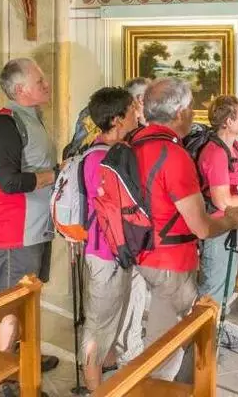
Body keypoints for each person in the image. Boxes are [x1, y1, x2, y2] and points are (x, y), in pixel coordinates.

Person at [113, 77, 238, 381]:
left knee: (161, 338)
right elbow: (201, 226)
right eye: (190, 108)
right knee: (171, 346)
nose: (193, 114)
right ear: (178, 113)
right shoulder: (174, 156)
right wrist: (234, 218)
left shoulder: (133, 143)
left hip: (141, 249)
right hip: (171, 260)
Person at [0, 58, 59, 397]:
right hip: (13, 229)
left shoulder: (32, 118)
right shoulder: (3, 124)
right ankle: (2, 379)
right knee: (9, 303)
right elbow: (10, 181)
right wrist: (54, 175)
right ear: (21, 89)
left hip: (36, 225)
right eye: (39, 79)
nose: (46, 83)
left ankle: (25, 357)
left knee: (29, 296)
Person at [81, 87, 146, 391]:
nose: (138, 114)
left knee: (109, 320)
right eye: (133, 110)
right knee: (96, 325)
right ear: (119, 119)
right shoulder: (103, 159)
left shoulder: (102, 150)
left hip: (112, 251)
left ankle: (108, 364)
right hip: (105, 252)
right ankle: (95, 388)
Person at [195, 95, 238, 350]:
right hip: (216, 227)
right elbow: (222, 201)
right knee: (213, 285)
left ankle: (217, 332)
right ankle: (202, 344)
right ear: (228, 120)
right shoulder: (215, 152)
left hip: (231, 225)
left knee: (228, 281)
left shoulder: (235, 147)